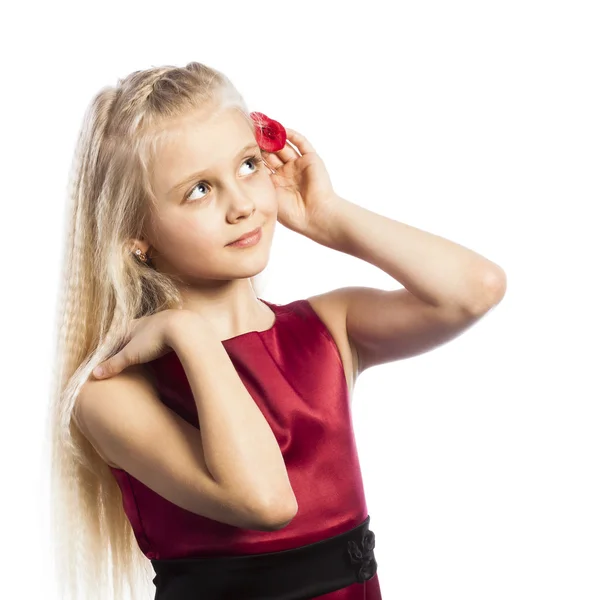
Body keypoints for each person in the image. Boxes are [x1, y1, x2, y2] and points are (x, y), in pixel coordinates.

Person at [47, 61, 506, 600]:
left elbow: (477, 287)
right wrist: (190, 335)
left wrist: (328, 215)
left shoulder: (329, 329)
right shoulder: (110, 391)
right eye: (198, 190)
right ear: (134, 236)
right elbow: (266, 501)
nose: (242, 205)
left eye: (247, 165)